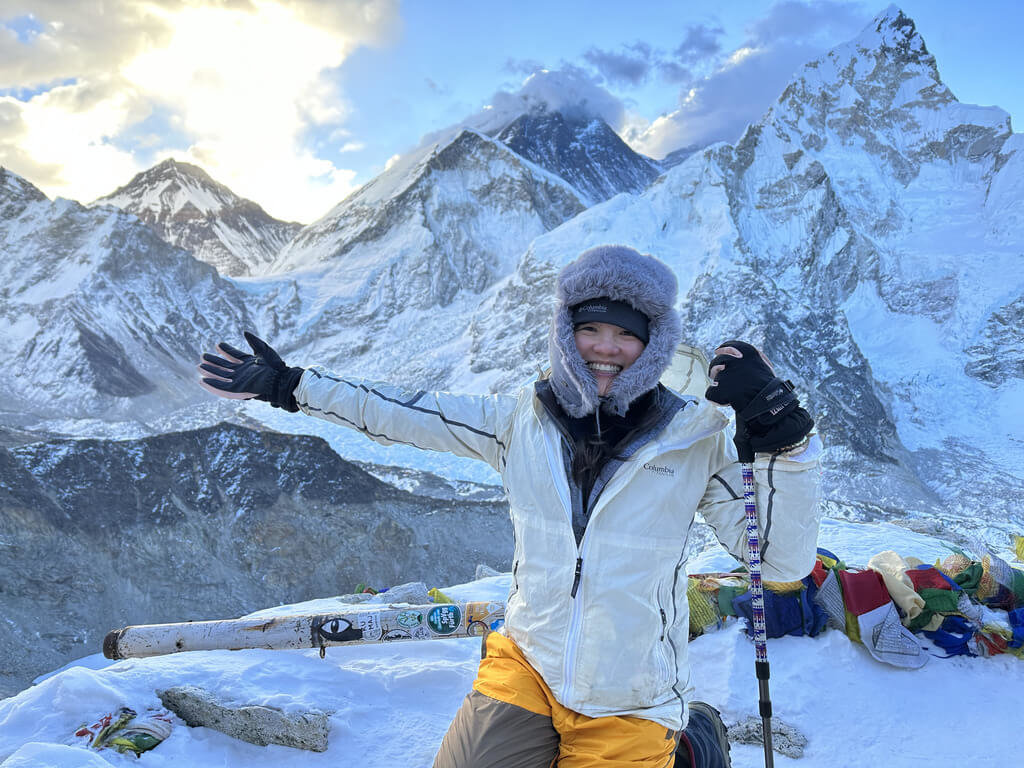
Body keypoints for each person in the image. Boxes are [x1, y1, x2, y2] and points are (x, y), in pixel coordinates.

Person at [198, 245, 821, 768]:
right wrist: (293, 386)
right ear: (566, 334)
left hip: (633, 691)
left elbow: (779, 562)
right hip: (529, 660)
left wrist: (785, 445)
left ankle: (692, 745)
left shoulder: (693, 439)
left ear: (653, 344)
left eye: (627, 334)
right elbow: (405, 413)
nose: (606, 348)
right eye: (591, 329)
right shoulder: (521, 421)